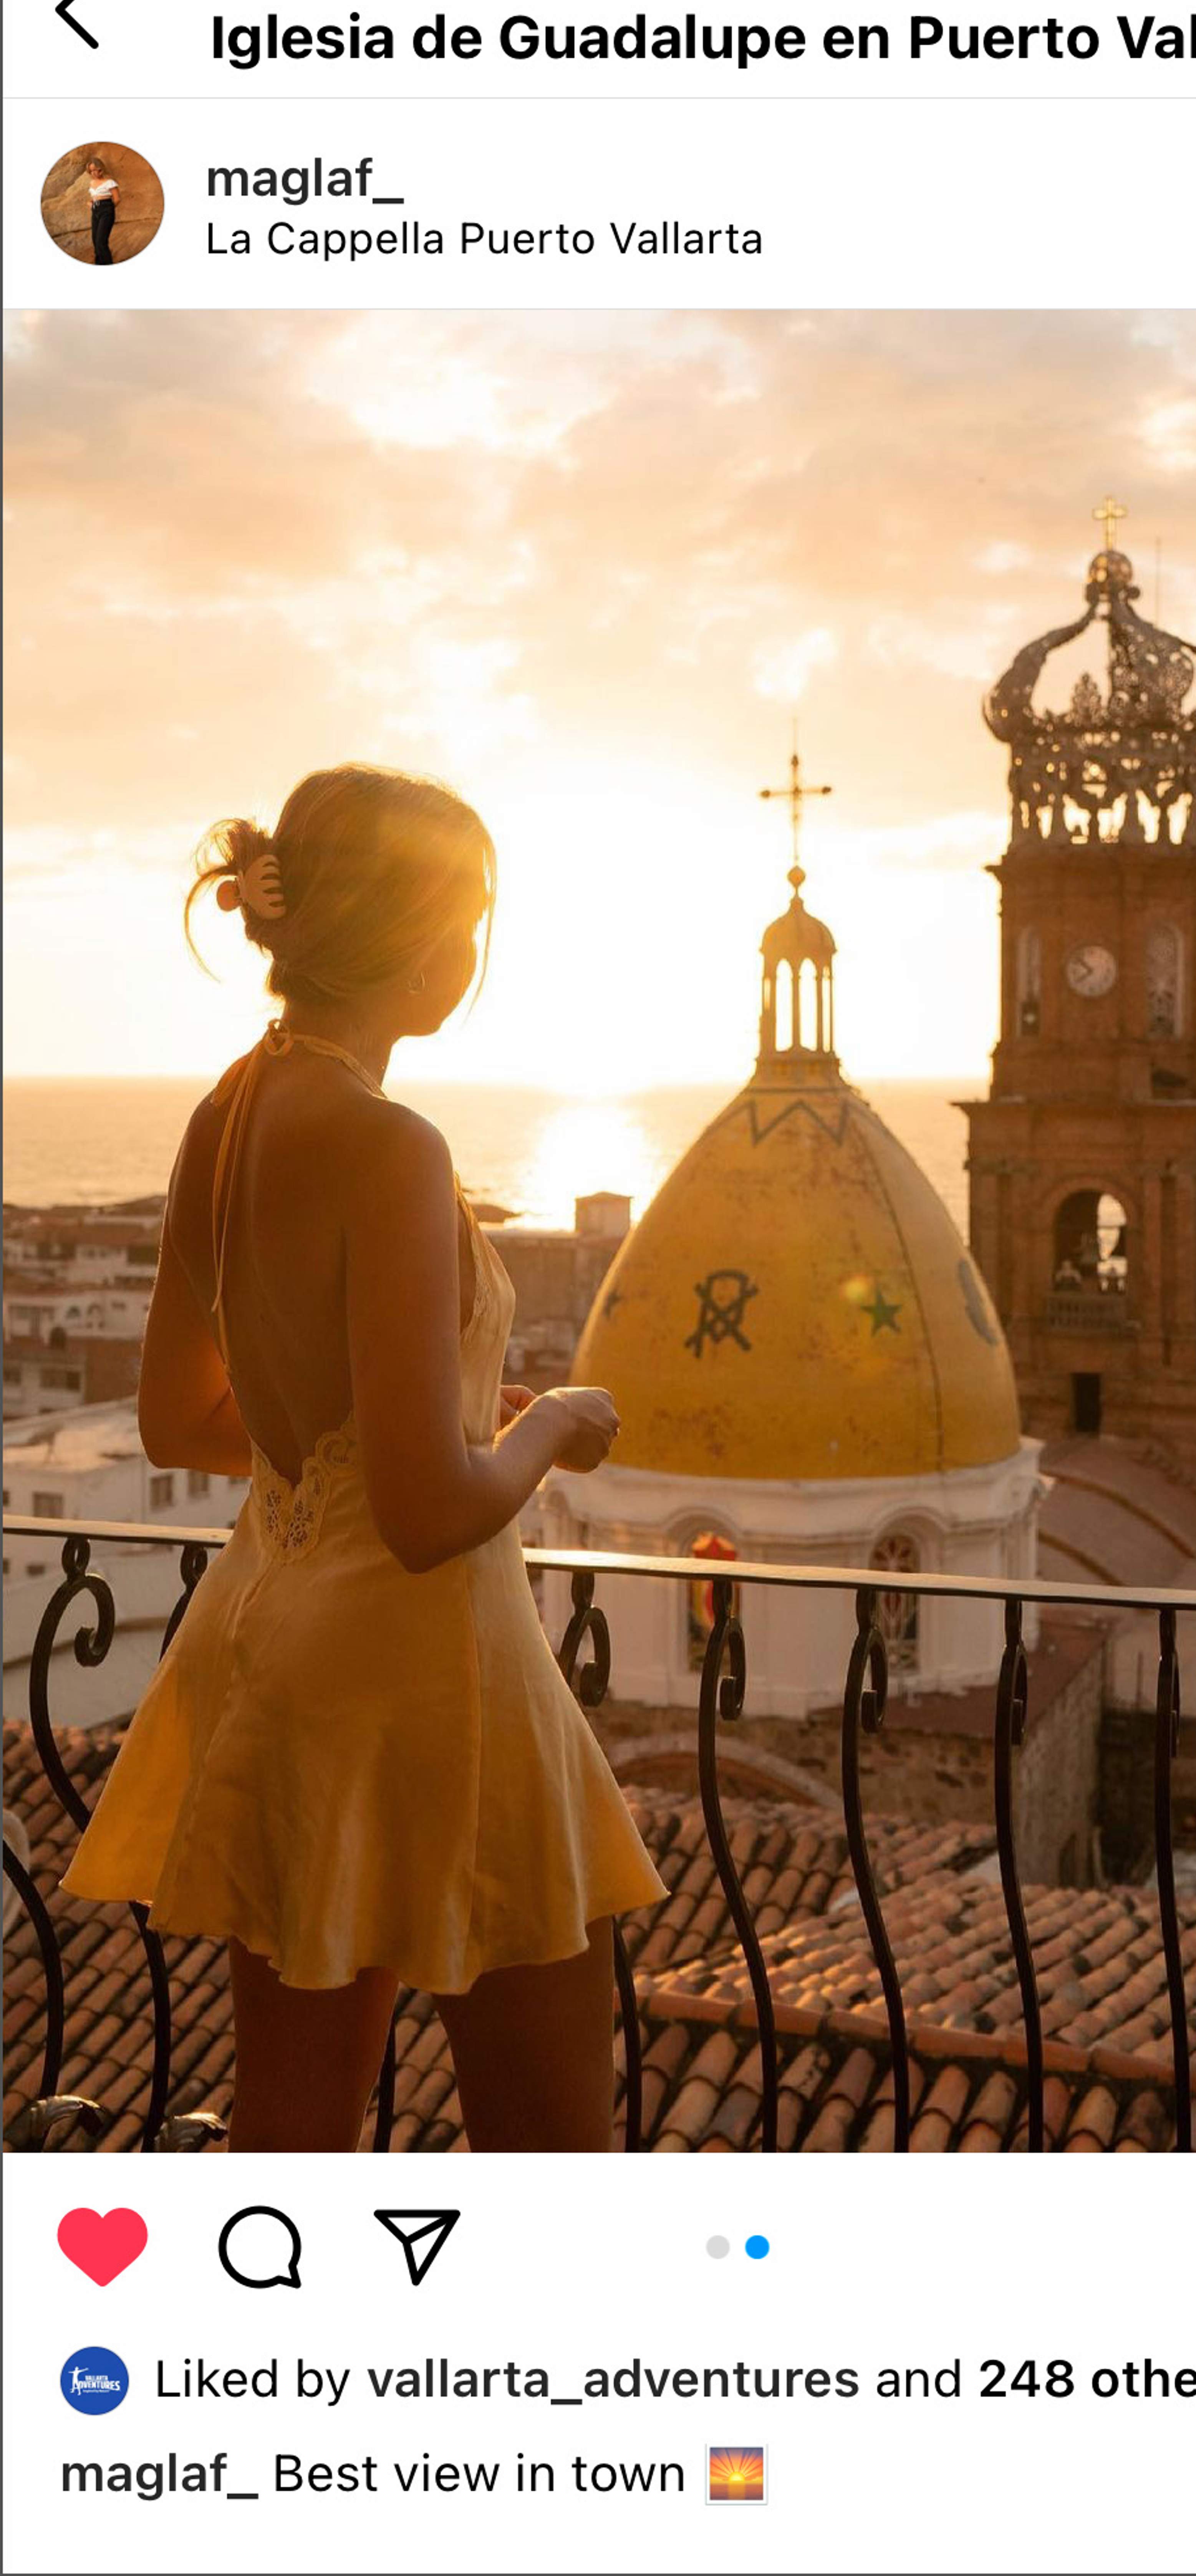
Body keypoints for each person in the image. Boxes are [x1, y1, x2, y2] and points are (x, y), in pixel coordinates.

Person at [64, 764, 666, 2151]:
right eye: (469, 917)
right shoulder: (393, 1143)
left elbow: (185, 1421)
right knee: (551, 2125)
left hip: (269, 1651)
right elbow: (424, 1514)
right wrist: (548, 1426)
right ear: (411, 936)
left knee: (295, 2136)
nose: (473, 952)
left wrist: (428, 1415)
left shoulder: (230, 1109)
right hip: (422, 1667)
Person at [85, 156, 119, 263]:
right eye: (91, 171)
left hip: (107, 210)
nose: (93, 173)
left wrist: (108, 209)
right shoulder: (92, 183)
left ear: (101, 169)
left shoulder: (110, 182)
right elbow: (95, 196)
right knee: (96, 241)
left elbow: (117, 199)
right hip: (95, 211)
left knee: (101, 242)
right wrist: (91, 203)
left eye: (95, 170)